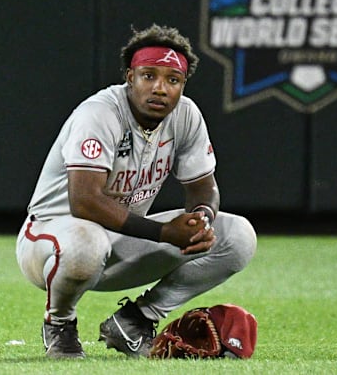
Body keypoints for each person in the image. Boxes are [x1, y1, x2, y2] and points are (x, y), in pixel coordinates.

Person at [16, 24, 257, 359]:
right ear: (130, 77)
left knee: (237, 236)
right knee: (87, 240)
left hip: (119, 242)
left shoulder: (186, 115)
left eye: (172, 80)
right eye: (148, 76)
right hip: (49, 241)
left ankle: (135, 320)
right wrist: (162, 232)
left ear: (183, 85)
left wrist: (202, 218)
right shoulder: (99, 113)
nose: (160, 88)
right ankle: (60, 323)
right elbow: (84, 201)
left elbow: (204, 188)